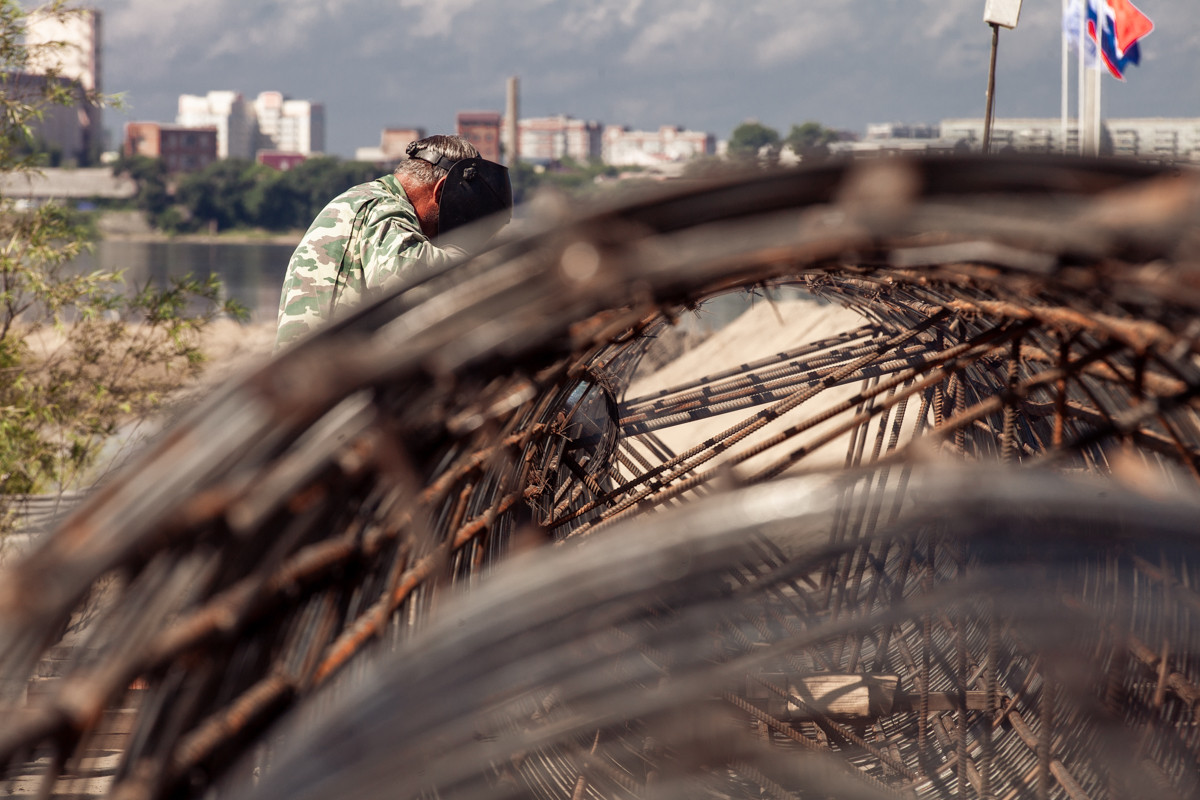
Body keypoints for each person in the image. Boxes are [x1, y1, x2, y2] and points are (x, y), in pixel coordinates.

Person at [275, 134, 512, 350]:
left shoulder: (362, 199)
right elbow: (409, 280)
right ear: (439, 193)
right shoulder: (384, 208)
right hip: (319, 382)